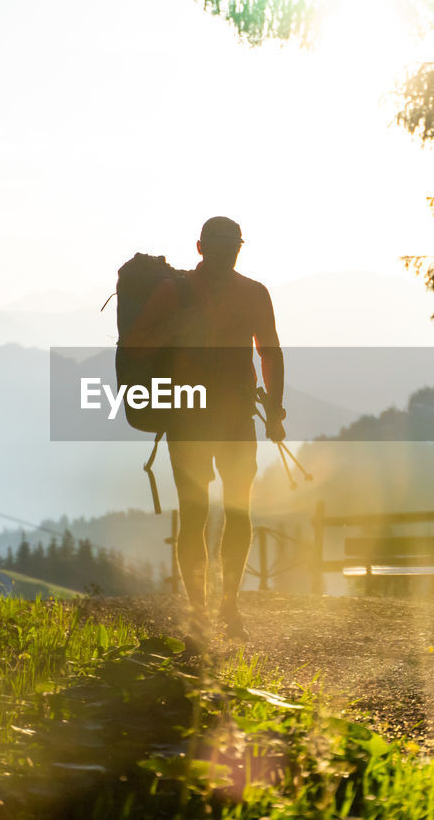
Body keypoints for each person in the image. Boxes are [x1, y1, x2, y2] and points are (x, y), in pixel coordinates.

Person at [128, 216, 284, 640]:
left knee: (207, 513)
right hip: (214, 416)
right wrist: (273, 410)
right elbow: (270, 353)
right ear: (202, 248)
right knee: (226, 511)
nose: (225, 253)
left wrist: (274, 411)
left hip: (197, 416)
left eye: (229, 246)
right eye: (222, 246)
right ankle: (218, 611)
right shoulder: (247, 293)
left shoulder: (178, 293)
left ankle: (214, 610)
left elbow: (270, 351)